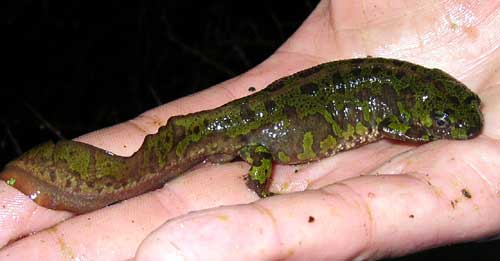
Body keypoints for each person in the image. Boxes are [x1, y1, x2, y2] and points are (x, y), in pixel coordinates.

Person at [1, 0, 499, 259]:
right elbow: (393, 121)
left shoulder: (414, 92)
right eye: (441, 122)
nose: (456, 127)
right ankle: (78, 181)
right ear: (422, 103)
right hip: (259, 129)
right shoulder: (399, 109)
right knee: (244, 142)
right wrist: (261, 187)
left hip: (263, 121)